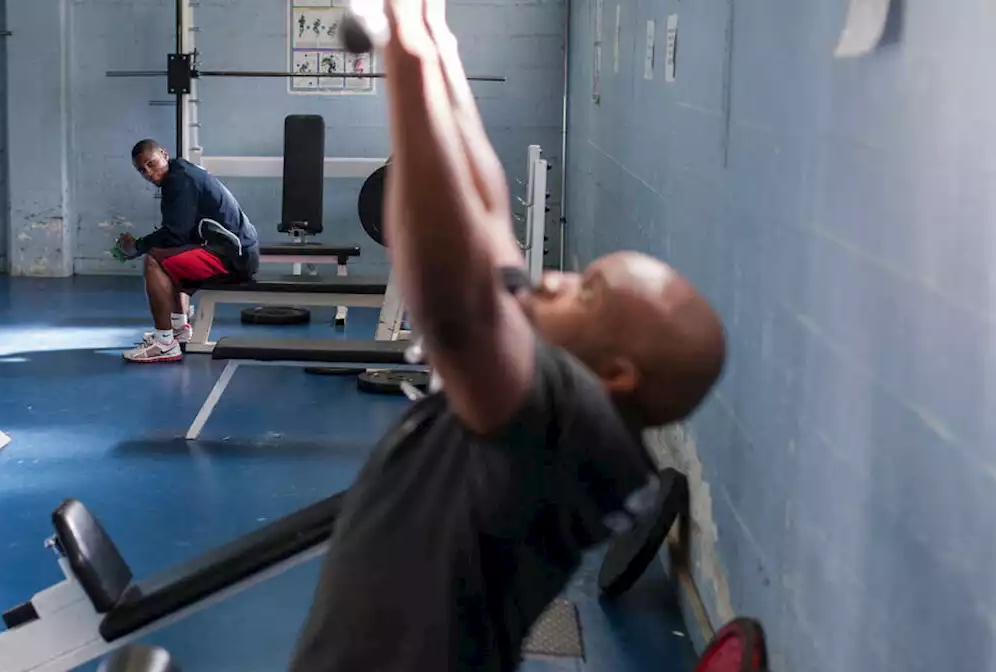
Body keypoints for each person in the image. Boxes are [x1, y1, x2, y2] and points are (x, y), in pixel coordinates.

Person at [286, 1, 727, 671]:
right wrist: (435, 40)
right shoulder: (552, 369)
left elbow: (453, 305)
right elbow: (487, 213)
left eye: (588, 291)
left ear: (617, 373)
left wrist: (403, 52)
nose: (555, 282)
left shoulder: (572, 429)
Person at [114, 139, 260, 363]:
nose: (149, 173)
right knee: (171, 253)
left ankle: (164, 344)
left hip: (234, 256)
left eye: (151, 164)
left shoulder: (180, 181)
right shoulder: (178, 174)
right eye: (142, 170)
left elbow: (175, 234)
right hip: (233, 250)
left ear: (163, 154)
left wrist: (137, 246)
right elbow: (178, 235)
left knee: (154, 261)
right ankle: (179, 329)